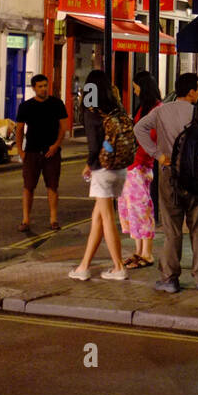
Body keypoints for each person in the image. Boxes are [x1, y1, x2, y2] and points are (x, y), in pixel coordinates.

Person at [134, 73, 198, 293]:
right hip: (196, 177)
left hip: (169, 174)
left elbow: (139, 129)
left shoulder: (161, 110)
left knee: (172, 227)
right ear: (191, 92)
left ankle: (169, 278)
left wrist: (157, 154)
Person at [69, 75, 129, 280]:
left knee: (107, 219)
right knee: (97, 219)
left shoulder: (91, 112)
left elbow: (94, 146)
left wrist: (88, 164)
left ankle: (118, 267)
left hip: (103, 169)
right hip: (120, 168)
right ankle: (83, 267)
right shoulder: (116, 108)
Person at [14, 74, 69, 232]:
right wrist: (20, 151)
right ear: (34, 88)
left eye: (45, 85)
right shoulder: (25, 106)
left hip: (51, 152)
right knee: (28, 187)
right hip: (31, 151)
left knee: (52, 186)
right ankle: (25, 220)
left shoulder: (57, 104)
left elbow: (63, 127)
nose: (44, 89)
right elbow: (19, 129)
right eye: (40, 86)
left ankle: (53, 219)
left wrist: (56, 145)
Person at [119, 71, 160, 268]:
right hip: (133, 164)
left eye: (135, 87)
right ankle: (138, 251)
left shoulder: (155, 109)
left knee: (142, 209)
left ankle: (147, 254)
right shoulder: (144, 108)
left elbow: (152, 137)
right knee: (131, 209)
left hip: (141, 165)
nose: (134, 91)